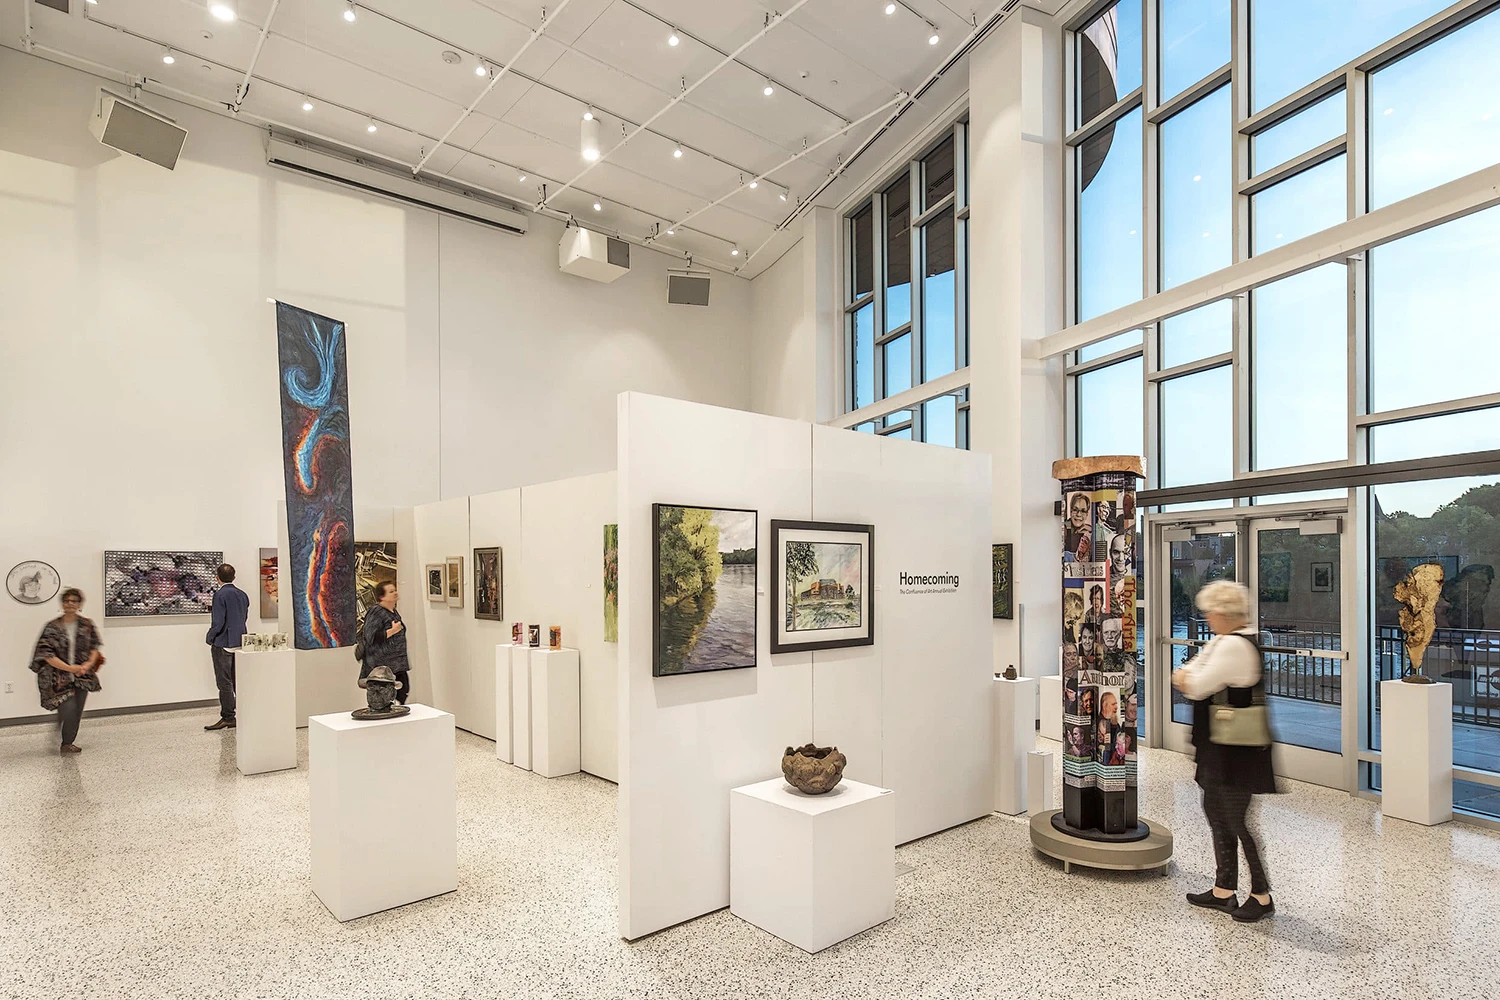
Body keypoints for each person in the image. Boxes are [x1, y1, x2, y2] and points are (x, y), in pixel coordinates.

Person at [1172, 579, 1278, 923]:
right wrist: (1188, 676)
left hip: (1237, 752)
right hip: (1219, 747)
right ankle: (1224, 889)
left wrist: (1188, 677)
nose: (1207, 618)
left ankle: (1261, 895)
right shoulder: (1223, 640)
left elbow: (1194, 683)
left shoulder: (1234, 645)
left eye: (1210, 612)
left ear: (1225, 613)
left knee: (1236, 820)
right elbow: (1187, 672)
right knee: (1217, 814)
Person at [30, 588, 103, 754]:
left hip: (83, 676)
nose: (70, 603)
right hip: (57, 676)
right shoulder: (52, 627)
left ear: (79, 604)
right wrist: (70, 668)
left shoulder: (87, 625)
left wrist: (87, 665)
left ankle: (67, 743)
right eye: (67, 600)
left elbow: (94, 647)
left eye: (74, 601)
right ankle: (61, 727)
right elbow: (45, 654)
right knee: (68, 708)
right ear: (62, 604)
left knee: (77, 710)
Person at [204, 563, 249, 731]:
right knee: (238, 681)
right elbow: (243, 617)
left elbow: (218, 622)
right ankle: (244, 714)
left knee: (224, 683)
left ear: (217, 577)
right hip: (240, 642)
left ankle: (228, 717)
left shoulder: (220, 595)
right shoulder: (242, 595)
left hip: (223, 642)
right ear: (234, 577)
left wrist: (210, 637)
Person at [362, 581, 410, 704]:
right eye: (391, 592)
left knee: (402, 692)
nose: (395, 593)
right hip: (382, 666)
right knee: (384, 698)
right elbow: (370, 637)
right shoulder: (376, 612)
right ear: (382, 597)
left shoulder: (393, 612)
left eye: (395, 590)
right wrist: (392, 631)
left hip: (396, 664)